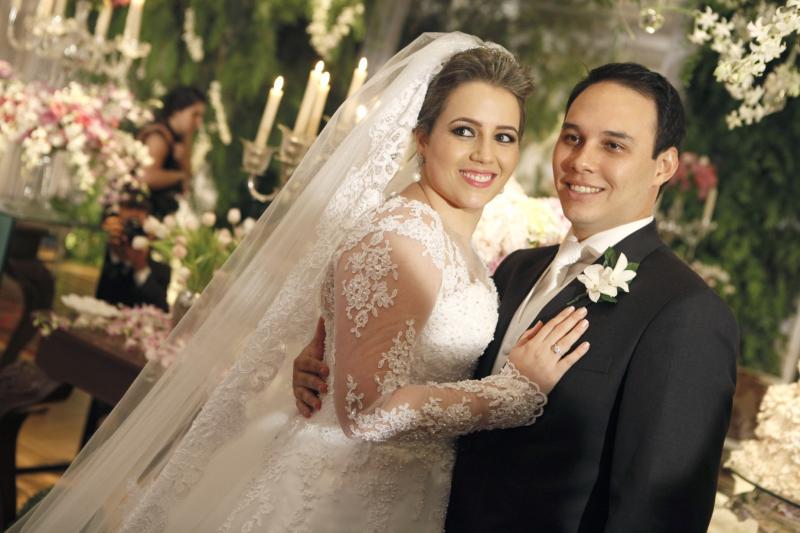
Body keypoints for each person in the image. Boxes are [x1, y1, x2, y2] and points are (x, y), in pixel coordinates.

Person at [9, 33, 587, 533]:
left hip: (398, 494)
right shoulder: (401, 239)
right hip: (337, 498)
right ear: (421, 137)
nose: (485, 154)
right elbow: (368, 411)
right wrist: (514, 396)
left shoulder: (446, 239)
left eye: (504, 136)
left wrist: (329, 353)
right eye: (464, 130)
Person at [294, 63, 739, 532]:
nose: (581, 161)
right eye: (572, 138)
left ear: (664, 165)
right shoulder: (516, 269)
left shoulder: (686, 313)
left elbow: (659, 516)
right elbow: (428, 381)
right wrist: (335, 360)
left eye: (613, 145)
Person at [95, 184, 170, 312]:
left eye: (141, 208)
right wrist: (111, 248)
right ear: (117, 211)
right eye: (129, 206)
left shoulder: (160, 271)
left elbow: (160, 311)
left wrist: (141, 267)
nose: (135, 213)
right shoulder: (100, 253)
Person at [137, 86, 206, 219]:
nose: (199, 122)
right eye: (194, 115)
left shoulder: (182, 138)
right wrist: (179, 176)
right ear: (177, 111)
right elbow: (147, 177)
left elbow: (188, 177)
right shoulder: (158, 138)